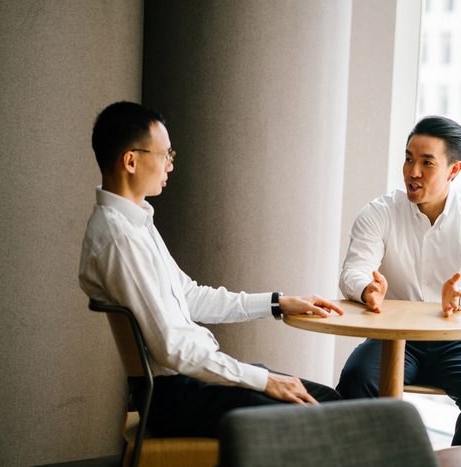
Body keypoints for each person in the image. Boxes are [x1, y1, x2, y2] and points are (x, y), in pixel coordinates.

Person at [79, 101, 344, 437]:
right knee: (325, 415)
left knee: (330, 401)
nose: (170, 166)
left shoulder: (135, 223)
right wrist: (263, 380)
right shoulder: (119, 238)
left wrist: (278, 303)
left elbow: (191, 297)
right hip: (177, 397)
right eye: (165, 155)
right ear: (131, 160)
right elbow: (172, 349)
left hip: (192, 384)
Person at [336, 115, 461, 446]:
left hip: (459, 340)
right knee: (356, 379)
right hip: (394, 339)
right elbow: (353, 272)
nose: (412, 171)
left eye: (426, 163)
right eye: (409, 158)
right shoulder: (379, 213)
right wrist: (366, 289)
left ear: (453, 171)